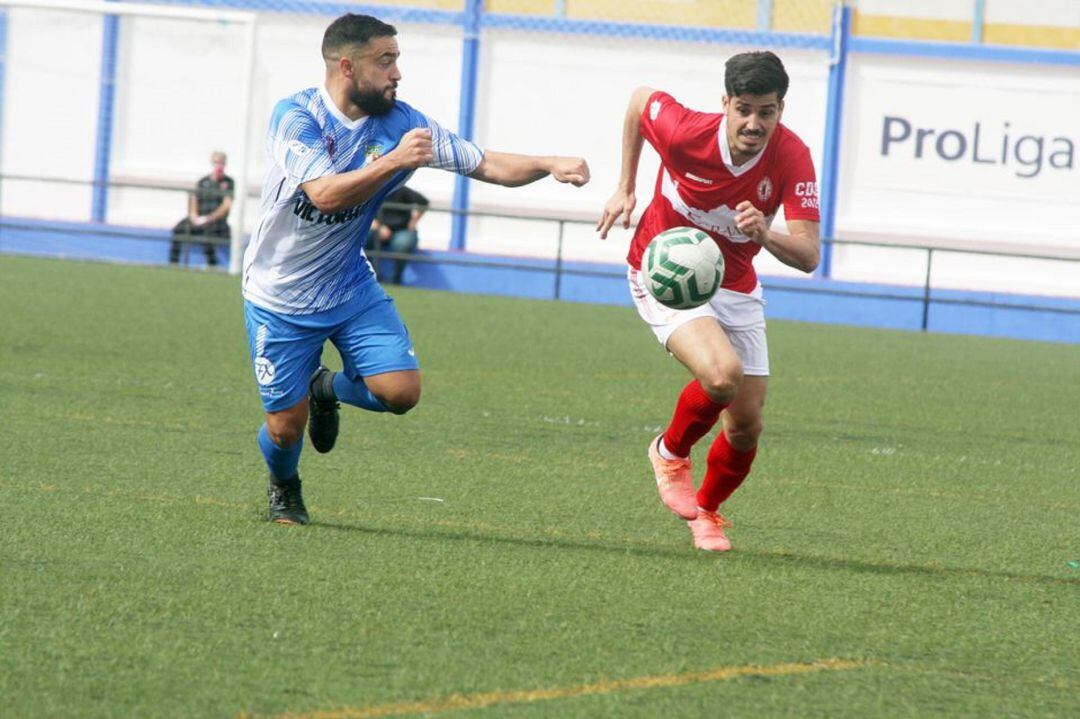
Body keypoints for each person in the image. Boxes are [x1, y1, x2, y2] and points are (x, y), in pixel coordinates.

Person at [243, 13, 590, 525]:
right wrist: (393, 162)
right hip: (279, 296)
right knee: (285, 429)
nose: (397, 73)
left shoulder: (404, 123)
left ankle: (325, 388)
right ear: (346, 66)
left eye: (397, 59)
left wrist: (547, 163)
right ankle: (285, 484)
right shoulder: (296, 116)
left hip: (346, 284)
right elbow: (323, 192)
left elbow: (485, 163)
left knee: (401, 394)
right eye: (385, 61)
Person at [596, 51, 820, 552]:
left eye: (767, 111)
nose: (754, 123)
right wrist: (626, 186)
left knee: (745, 427)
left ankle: (707, 513)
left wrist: (764, 233)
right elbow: (639, 102)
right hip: (667, 272)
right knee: (721, 376)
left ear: (781, 109)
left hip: (735, 283)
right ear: (725, 103)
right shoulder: (683, 132)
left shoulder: (792, 156)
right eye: (744, 108)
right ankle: (670, 452)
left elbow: (808, 255)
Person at [168, 151, 233, 267]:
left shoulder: (228, 182)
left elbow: (226, 205)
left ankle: (212, 265)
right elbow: (194, 200)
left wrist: (210, 218)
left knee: (208, 234)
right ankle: (173, 263)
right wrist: (194, 217)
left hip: (216, 222)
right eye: (216, 163)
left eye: (221, 163)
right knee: (179, 229)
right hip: (199, 217)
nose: (218, 166)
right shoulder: (203, 181)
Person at [365, 184, 427, 284]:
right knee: (361, 238)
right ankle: (373, 275)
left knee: (403, 243)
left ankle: (396, 279)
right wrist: (378, 227)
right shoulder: (372, 190)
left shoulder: (401, 190)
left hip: (401, 230)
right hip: (378, 229)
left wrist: (413, 222)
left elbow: (423, 202)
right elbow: (363, 212)